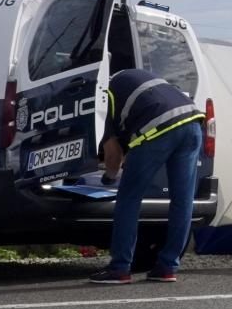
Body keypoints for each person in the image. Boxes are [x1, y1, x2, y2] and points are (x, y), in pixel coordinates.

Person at [87, 66, 207, 285]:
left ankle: (120, 268)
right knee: (182, 201)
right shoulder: (139, 78)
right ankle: (167, 267)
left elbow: (113, 155)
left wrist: (108, 178)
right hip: (192, 123)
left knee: (129, 198)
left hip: (158, 129)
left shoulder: (105, 94)